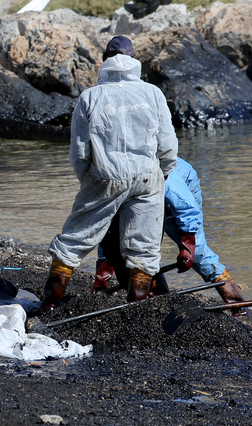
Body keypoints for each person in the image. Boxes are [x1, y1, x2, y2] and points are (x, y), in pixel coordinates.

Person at [41, 36, 178, 311]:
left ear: (105, 60)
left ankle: (50, 305)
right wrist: (161, 174)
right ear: (134, 59)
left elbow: (80, 152)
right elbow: (168, 146)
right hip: (148, 177)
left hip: (105, 176)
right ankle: (136, 312)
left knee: (73, 241)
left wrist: (90, 182)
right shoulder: (153, 93)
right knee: (143, 250)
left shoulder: (90, 96)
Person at [93, 157, 250, 318]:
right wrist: (103, 270)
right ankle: (161, 300)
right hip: (143, 197)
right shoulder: (112, 186)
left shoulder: (162, 180)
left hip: (180, 193)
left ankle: (238, 305)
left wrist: (187, 246)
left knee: (198, 254)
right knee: (140, 253)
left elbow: (187, 210)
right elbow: (109, 229)